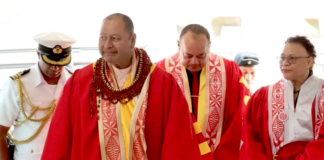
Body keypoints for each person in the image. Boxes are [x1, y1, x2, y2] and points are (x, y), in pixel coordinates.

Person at [41, 13, 204, 160]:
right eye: (103, 37)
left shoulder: (162, 83)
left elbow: (178, 144)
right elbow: (59, 141)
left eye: (115, 38)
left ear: (132, 40)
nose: (107, 45)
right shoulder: (80, 82)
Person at [156, 24, 250, 159]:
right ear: (178, 45)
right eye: (188, 55)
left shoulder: (228, 70)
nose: (194, 62)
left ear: (209, 46)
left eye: (201, 56)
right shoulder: (161, 71)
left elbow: (240, 116)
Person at [242, 35, 324, 160]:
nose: (284, 63)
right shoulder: (264, 96)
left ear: (309, 61)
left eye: (292, 58)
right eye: (282, 58)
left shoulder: (321, 93)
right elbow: (252, 142)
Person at [0, 32, 76, 160]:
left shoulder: (74, 83)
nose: (55, 68)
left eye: (60, 63)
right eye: (50, 62)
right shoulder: (18, 84)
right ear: (38, 54)